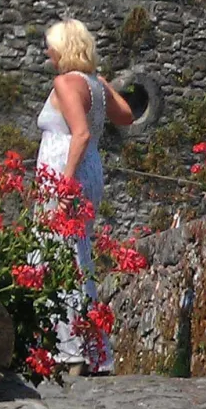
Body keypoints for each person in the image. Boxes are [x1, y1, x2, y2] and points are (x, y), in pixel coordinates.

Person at [37, 20, 134, 375]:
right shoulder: (94, 84)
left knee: (60, 256)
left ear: (62, 48)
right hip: (91, 169)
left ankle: (68, 349)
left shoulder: (65, 83)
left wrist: (63, 185)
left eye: (50, 45)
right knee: (78, 255)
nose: (46, 52)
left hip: (68, 173)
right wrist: (104, 84)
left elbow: (78, 134)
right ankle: (88, 347)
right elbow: (125, 116)